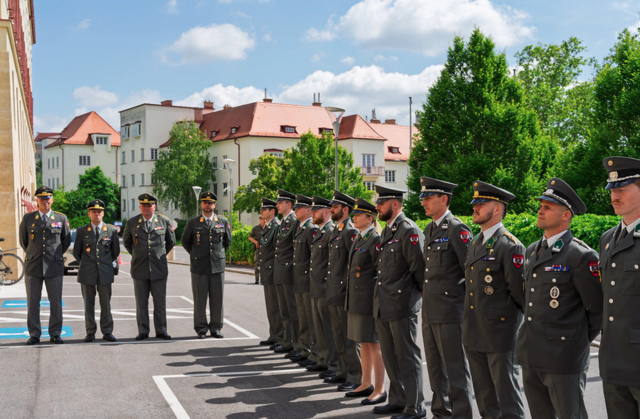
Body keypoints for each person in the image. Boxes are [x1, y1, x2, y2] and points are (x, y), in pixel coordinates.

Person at [515, 178, 603, 419]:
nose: (540, 211)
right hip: (532, 352)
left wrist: (572, 343)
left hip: (563, 357)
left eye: (547, 207)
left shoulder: (581, 255)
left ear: (566, 215)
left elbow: (597, 311)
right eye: (540, 206)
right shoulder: (532, 250)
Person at [463, 181, 526, 419]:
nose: (475, 208)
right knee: (485, 400)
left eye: (482, 203)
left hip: (500, 335)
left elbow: (520, 296)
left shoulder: (510, 246)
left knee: (507, 400)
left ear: (497, 209)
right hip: (474, 331)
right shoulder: (475, 242)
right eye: (475, 203)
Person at [419, 177, 474, 419]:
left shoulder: (457, 229)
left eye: (428, 198)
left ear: (444, 199)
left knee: (456, 370)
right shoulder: (429, 229)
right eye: (423, 199)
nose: (423, 203)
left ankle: (461, 415)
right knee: (435, 368)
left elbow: (470, 272)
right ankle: (441, 413)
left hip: (451, 312)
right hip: (431, 310)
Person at [373, 185, 426, 419]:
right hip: (384, 304)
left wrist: (417, 301)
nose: (377, 207)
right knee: (390, 355)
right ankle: (398, 400)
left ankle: (416, 407)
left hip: (402, 304)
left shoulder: (409, 230)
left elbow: (419, 270)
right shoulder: (387, 230)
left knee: (407, 356)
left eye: (381, 203)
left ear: (394, 204)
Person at [599, 156, 640, 418]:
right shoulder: (606, 239)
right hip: (613, 358)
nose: (615, 196)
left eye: (622, 189)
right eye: (613, 190)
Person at [344, 197, 387, 406]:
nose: (354, 218)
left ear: (369, 218)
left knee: (374, 344)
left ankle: (379, 389)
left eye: (358, 215)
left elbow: (380, 273)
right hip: (357, 299)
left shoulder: (375, 239)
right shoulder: (360, 238)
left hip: (369, 299)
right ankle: (366, 382)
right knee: (364, 343)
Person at [19, 186, 71, 345]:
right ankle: (34, 334)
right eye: (41, 198)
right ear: (37, 201)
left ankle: (55, 333)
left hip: (53, 266)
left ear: (52, 199)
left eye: (48, 198)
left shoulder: (60, 219)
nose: (45, 201)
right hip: (33, 266)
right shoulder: (28, 219)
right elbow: (24, 241)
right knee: (33, 302)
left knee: (55, 302)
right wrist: (33, 254)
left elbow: (65, 241)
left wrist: (55, 256)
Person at [123, 193, 175, 341]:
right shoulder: (132, 222)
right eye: (144, 206)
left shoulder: (164, 222)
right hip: (140, 269)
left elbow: (170, 242)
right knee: (141, 303)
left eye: (149, 205)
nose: (147, 208)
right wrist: (138, 255)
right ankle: (143, 331)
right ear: (140, 207)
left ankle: (161, 330)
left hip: (159, 268)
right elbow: (127, 242)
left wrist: (160, 256)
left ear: (155, 207)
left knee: (160, 302)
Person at [181, 192, 232, 339]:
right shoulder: (193, 222)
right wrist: (195, 254)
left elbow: (227, 242)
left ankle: (216, 327)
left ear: (215, 205)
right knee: (200, 299)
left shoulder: (222, 221)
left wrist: (218, 255)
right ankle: (201, 328)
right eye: (204, 202)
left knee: (217, 298)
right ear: (201, 204)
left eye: (210, 203)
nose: (207, 205)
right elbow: (185, 242)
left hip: (217, 266)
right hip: (199, 266)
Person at [325, 190, 361, 391]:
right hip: (333, 290)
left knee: (349, 338)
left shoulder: (350, 231)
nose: (332, 210)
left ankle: (355, 376)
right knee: (338, 334)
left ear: (345, 209)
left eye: (335, 207)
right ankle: (342, 371)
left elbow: (353, 264)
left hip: (343, 291)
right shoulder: (336, 230)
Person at [73, 199, 120, 343]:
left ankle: (107, 332)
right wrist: (87, 263)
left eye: (99, 211)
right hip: (87, 271)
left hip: (105, 272)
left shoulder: (111, 230)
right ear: (89, 214)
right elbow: (76, 252)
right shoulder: (81, 231)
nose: (96, 214)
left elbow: (115, 251)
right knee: (89, 304)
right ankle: (90, 332)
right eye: (94, 211)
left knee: (105, 304)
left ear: (103, 213)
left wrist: (104, 263)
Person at [307, 195, 339, 378]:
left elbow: (331, 263)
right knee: (319, 328)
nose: (312, 213)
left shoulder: (330, 231)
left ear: (326, 212)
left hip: (325, 287)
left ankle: (333, 364)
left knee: (328, 329)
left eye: (315, 210)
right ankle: (324, 360)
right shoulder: (320, 231)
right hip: (315, 286)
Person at [290, 194, 322, 367]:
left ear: (309, 210)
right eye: (295, 208)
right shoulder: (300, 228)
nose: (295, 210)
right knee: (303, 319)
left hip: (308, 282)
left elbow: (314, 258)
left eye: (298, 208)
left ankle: (314, 352)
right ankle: (305, 350)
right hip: (299, 281)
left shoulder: (311, 229)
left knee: (311, 320)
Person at [273, 190, 302, 357]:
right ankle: (288, 341)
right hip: (280, 271)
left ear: (288, 204)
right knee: (284, 310)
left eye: (280, 202)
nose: (277, 205)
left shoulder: (294, 221)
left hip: (288, 271)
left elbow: (295, 249)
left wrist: (290, 267)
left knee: (293, 311)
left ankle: (298, 345)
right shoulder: (284, 222)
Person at [257, 198, 284, 349]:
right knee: (270, 306)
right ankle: (273, 335)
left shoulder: (277, 226)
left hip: (274, 271)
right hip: (267, 271)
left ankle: (280, 337)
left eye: (264, 209)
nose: (261, 211)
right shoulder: (268, 226)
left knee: (276, 307)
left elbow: (277, 251)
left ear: (272, 211)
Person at [249, 218, 265, 284]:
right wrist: (256, 242)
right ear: (260, 220)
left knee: (265, 264)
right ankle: (257, 279)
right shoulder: (256, 228)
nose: (264, 220)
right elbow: (250, 237)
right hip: (258, 249)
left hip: (266, 249)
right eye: (262, 219)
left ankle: (263, 279)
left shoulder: (268, 228)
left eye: (264, 219)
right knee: (257, 264)